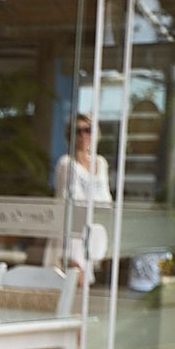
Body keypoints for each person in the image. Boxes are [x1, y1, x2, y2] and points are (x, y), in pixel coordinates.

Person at [53, 112, 111, 274]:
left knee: (85, 286)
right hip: (72, 232)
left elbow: (106, 199)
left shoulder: (101, 162)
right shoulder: (66, 163)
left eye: (88, 130)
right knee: (73, 279)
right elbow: (72, 199)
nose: (83, 135)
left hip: (94, 231)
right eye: (77, 131)